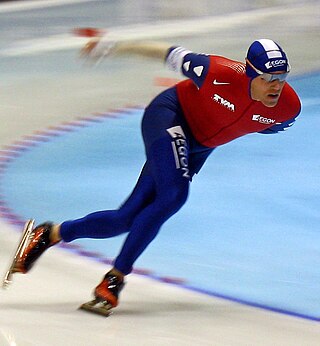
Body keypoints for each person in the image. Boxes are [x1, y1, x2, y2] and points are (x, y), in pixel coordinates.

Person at [14, 38, 301, 310]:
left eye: (282, 77)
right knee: (174, 195)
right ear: (251, 74)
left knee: (125, 218)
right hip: (169, 115)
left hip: (199, 147)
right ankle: (114, 280)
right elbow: (166, 53)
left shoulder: (288, 109)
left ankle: (51, 233)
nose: (276, 86)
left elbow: (241, 123)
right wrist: (111, 47)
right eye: (268, 78)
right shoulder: (216, 71)